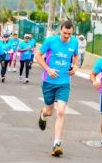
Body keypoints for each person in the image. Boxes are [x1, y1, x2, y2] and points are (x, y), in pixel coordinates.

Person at [35, 21, 79, 157]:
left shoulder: (74, 42)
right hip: (48, 82)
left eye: (69, 34)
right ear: (60, 30)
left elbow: (76, 55)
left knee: (60, 111)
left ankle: (57, 144)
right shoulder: (50, 41)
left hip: (64, 82)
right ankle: (43, 114)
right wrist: (48, 69)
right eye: (65, 33)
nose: (67, 36)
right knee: (49, 111)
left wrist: (75, 66)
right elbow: (37, 56)